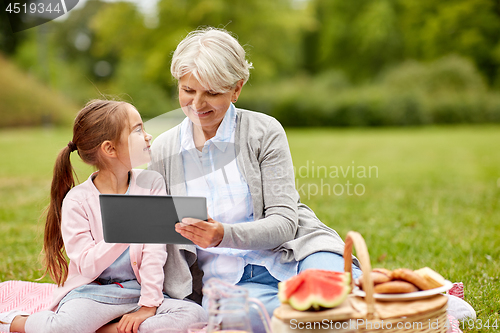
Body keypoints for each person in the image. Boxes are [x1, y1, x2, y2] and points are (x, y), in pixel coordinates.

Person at [149, 28, 361, 332]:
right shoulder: (163, 149)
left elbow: (285, 222)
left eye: (212, 92)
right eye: (188, 90)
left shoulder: (264, 131)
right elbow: (156, 231)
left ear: (237, 89)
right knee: (252, 318)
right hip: (226, 280)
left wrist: (222, 234)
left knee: (335, 303)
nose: (197, 104)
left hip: (298, 253)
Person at [0, 100, 206, 333]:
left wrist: (148, 305)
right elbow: (87, 267)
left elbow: (154, 252)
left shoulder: (152, 183)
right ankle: (15, 322)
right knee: (63, 327)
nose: (148, 136)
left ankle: (104, 330)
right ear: (110, 149)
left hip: (136, 292)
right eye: (138, 130)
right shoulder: (77, 201)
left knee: (195, 315)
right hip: (93, 294)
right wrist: (127, 231)